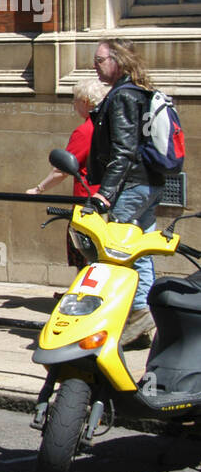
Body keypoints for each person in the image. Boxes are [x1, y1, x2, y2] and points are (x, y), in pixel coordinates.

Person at [86, 38, 164, 346]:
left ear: (118, 62)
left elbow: (123, 150)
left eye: (101, 59)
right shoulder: (141, 91)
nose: (96, 65)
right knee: (139, 251)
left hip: (130, 184)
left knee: (112, 251)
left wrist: (105, 192)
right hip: (150, 183)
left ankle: (119, 314)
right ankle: (141, 314)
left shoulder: (122, 97)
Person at [27, 77, 109, 199]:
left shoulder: (85, 131)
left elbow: (61, 171)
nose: (74, 106)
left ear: (85, 102)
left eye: (75, 101)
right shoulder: (109, 125)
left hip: (89, 199)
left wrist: (38, 189)